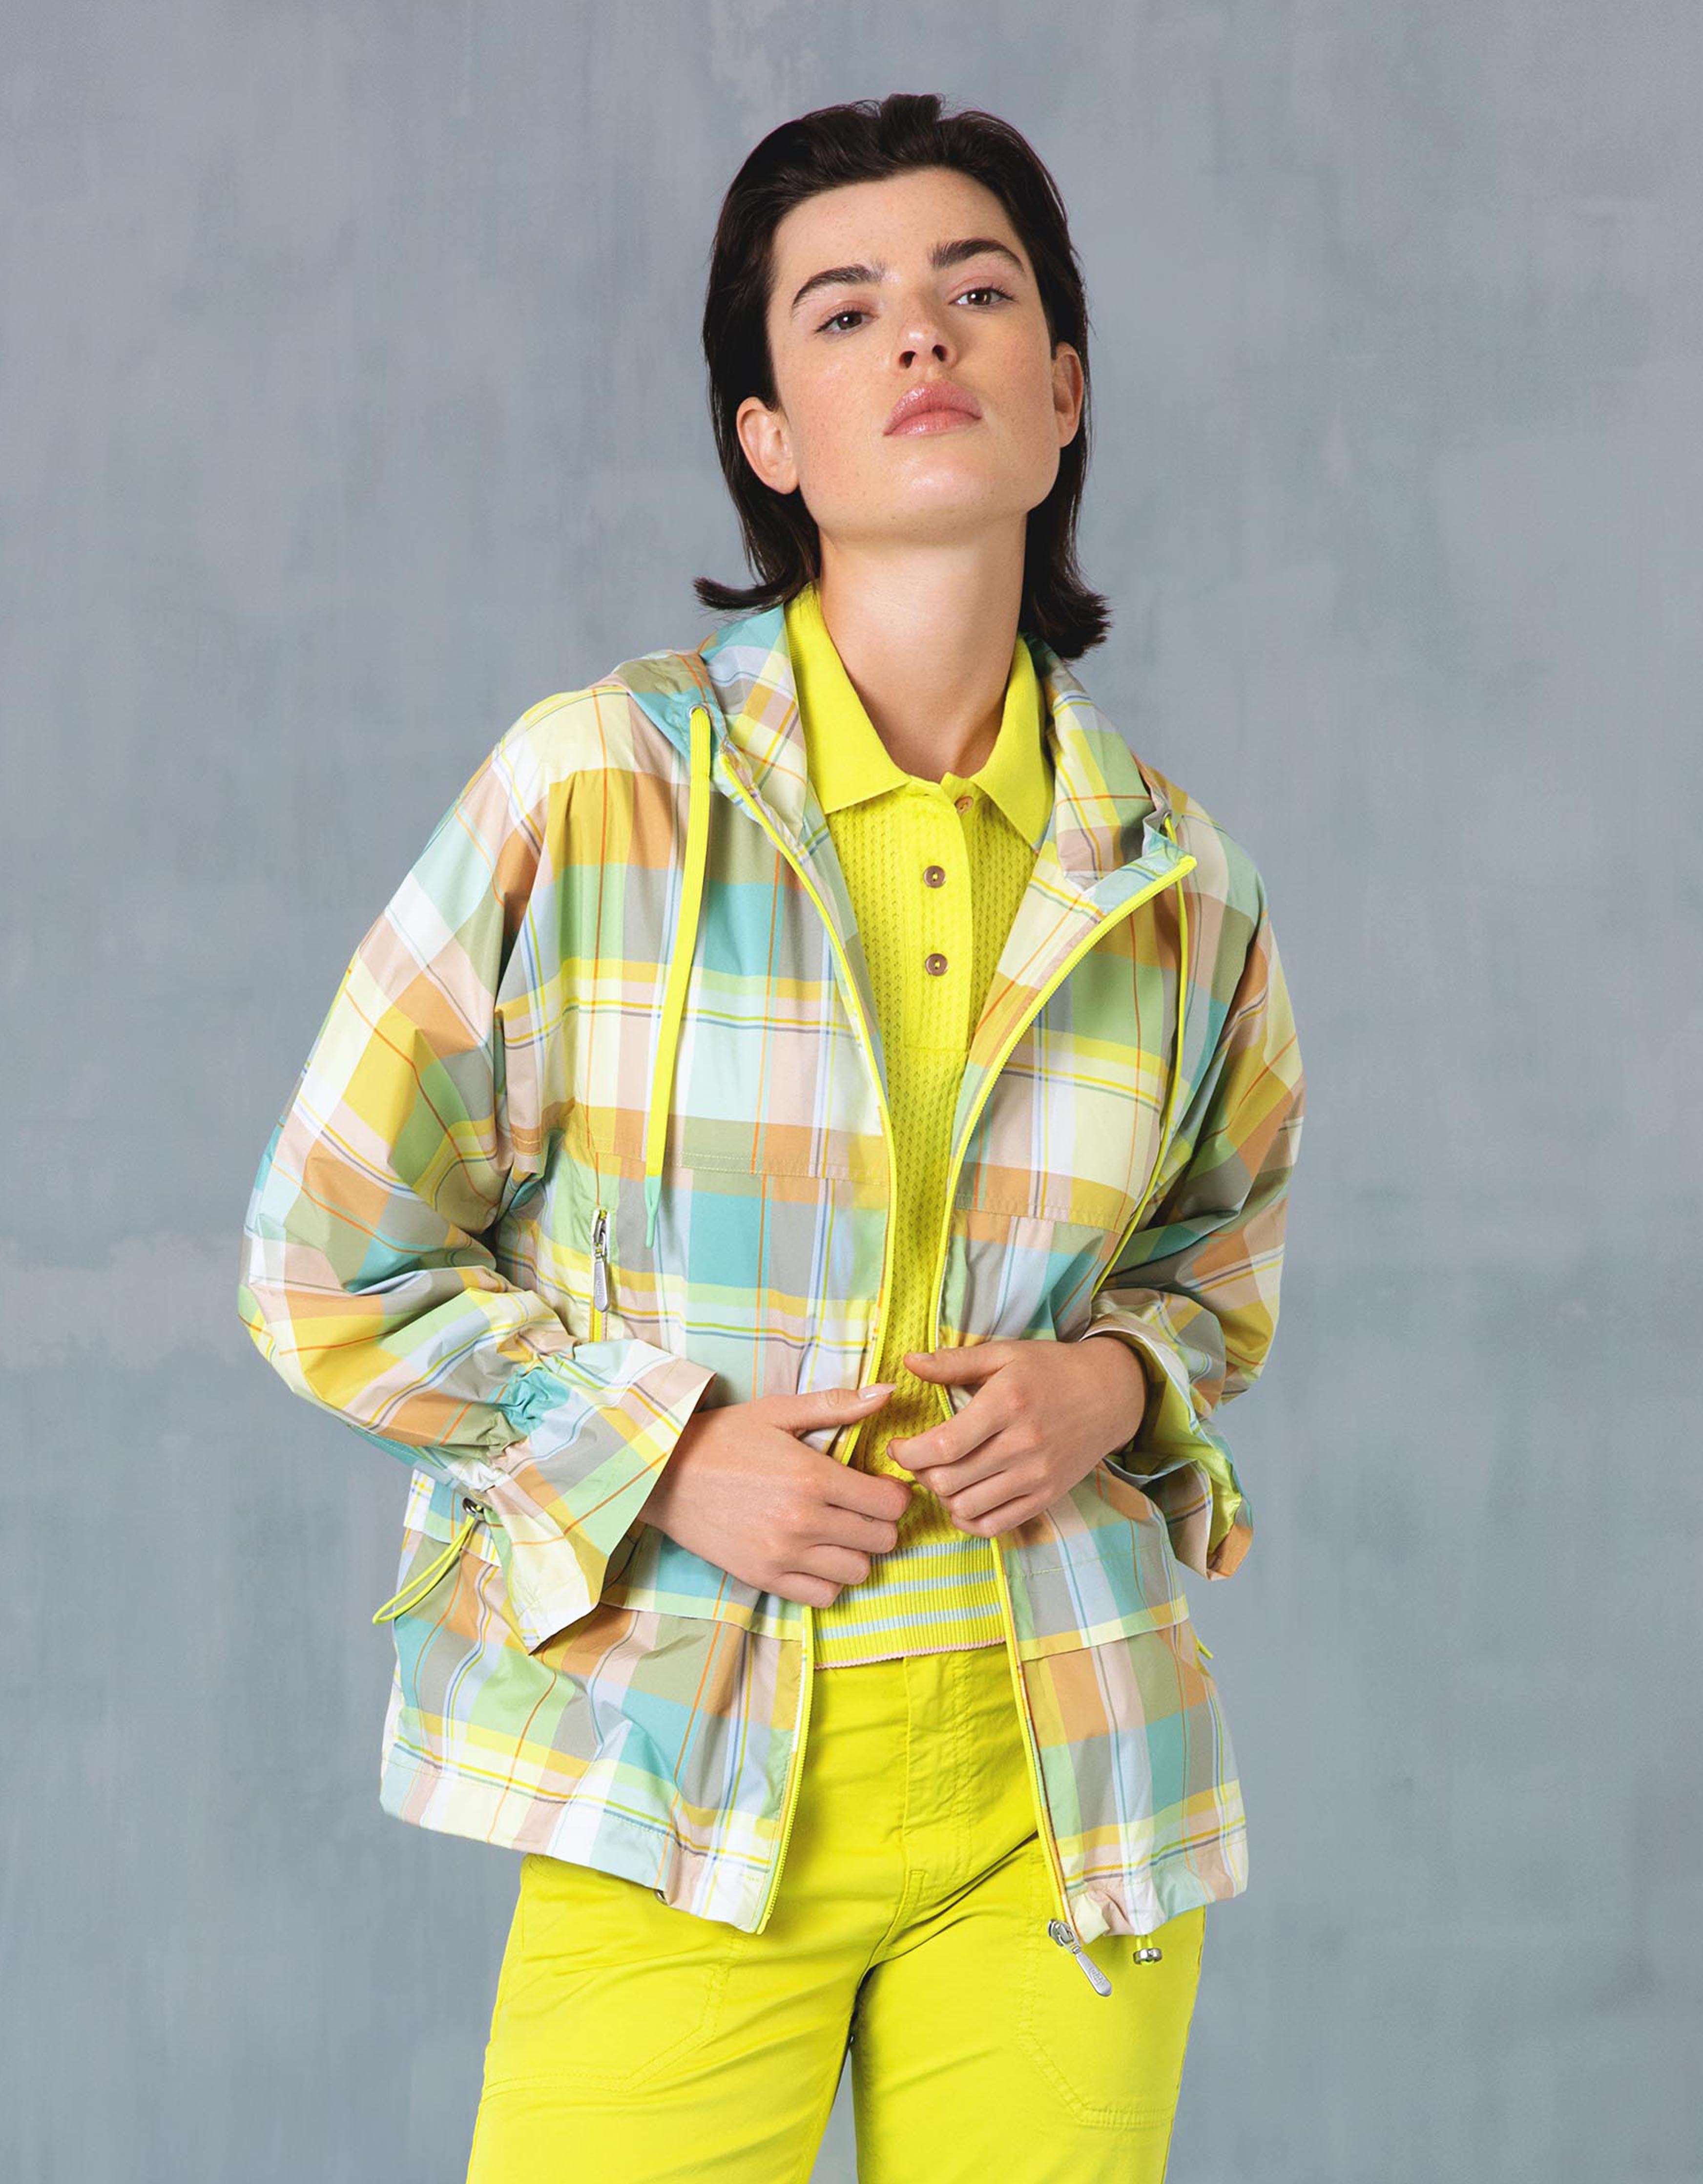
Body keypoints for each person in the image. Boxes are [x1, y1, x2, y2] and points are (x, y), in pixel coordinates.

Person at [237, 91, 1306, 2184]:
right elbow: (326, 1256)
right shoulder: (592, 791)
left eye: (977, 292)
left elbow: (1213, 1270)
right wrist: (665, 1449)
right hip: (674, 1768)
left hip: (1066, 1785)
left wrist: (1112, 1384)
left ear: (1062, 389)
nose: (921, 335)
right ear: (769, 437)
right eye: (843, 311)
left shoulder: (1182, 886)